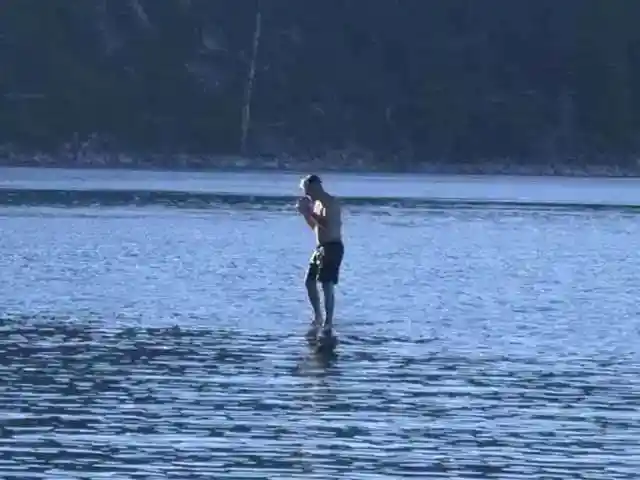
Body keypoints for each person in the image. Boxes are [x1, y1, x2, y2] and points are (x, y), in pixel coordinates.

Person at [296, 174, 344, 337]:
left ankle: (328, 321)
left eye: (308, 190)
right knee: (309, 281)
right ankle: (318, 316)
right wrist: (306, 214)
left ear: (316, 187)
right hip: (320, 248)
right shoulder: (316, 204)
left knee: (326, 284)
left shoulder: (331, 203)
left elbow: (327, 225)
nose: (307, 194)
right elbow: (316, 227)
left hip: (333, 247)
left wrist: (309, 211)